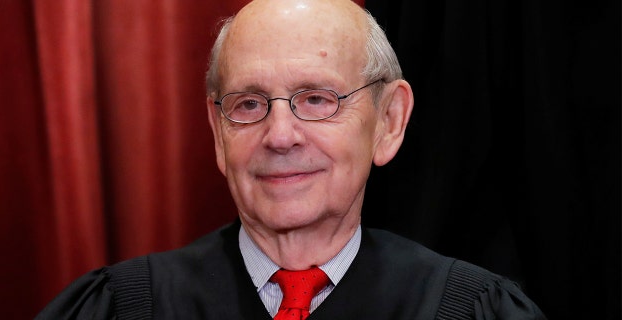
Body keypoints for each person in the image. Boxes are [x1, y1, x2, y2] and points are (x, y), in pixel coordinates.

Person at [36, 0, 547, 319]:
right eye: (249, 104)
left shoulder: (469, 309)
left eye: (318, 100)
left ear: (389, 121)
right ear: (218, 132)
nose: (280, 136)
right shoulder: (122, 309)